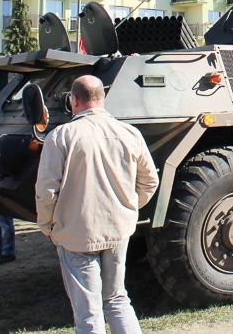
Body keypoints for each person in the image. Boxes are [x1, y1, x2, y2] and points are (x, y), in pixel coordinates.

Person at [36, 76, 158, 333]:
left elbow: (46, 192)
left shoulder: (60, 137)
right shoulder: (129, 133)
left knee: (88, 310)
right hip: (118, 230)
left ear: (73, 100)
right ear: (102, 98)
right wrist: (130, 208)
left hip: (76, 234)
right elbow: (149, 181)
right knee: (117, 298)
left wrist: (47, 225)